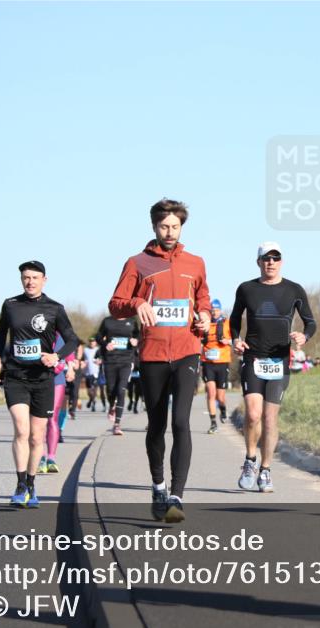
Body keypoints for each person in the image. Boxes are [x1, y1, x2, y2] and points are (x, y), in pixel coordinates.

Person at [108, 198, 211, 523]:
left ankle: (176, 496)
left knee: (181, 422)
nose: (170, 232)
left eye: (175, 227)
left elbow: (204, 298)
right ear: (154, 226)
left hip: (187, 351)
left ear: (182, 228)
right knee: (157, 425)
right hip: (152, 354)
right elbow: (115, 303)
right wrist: (136, 302)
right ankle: (158, 485)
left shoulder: (195, 263)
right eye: (164, 226)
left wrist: (206, 316)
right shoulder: (138, 263)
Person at [231, 241, 317, 493]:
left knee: (269, 419)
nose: (271, 262)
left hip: (279, 361)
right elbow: (235, 319)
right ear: (258, 262)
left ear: (282, 261)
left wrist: (304, 336)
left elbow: (310, 322)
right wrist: (236, 340)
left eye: (275, 258)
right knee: (253, 414)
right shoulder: (246, 289)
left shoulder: (294, 290)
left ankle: (266, 470)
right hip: (253, 359)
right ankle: (250, 461)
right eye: (266, 258)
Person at [0, 260, 78, 507]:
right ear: (22, 280)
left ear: (44, 280)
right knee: (21, 430)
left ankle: (31, 484)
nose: (30, 282)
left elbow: (72, 340)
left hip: (42, 379)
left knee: (36, 437)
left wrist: (57, 357)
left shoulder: (55, 308)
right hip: (16, 376)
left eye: (35, 277)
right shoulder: (11, 305)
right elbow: (0, 334)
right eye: (26, 277)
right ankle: (20, 486)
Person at [97, 314, 139, 436]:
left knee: (121, 390)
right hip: (110, 360)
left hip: (126, 360)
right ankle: (112, 405)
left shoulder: (132, 321)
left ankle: (117, 424)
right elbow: (99, 336)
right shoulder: (107, 321)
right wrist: (105, 344)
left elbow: (139, 335)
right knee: (111, 389)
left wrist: (136, 340)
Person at [40, 332, 76, 474]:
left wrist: (71, 368)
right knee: (39, 420)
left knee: (52, 418)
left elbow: (69, 348)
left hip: (56, 379)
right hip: (38, 379)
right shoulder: (35, 330)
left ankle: (51, 459)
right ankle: (40, 457)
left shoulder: (59, 333)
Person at [201, 298, 232, 434]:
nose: (214, 313)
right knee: (211, 393)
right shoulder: (204, 324)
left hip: (222, 362)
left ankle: (223, 410)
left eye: (216, 310)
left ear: (220, 310)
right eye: (212, 310)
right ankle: (213, 423)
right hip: (208, 363)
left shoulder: (227, 324)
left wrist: (228, 341)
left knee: (221, 397)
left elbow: (236, 340)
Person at [65, 342, 84, 419]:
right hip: (65, 370)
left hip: (76, 372)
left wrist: (79, 362)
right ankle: (68, 407)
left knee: (75, 391)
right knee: (67, 391)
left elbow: (82, 359)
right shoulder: (63, 344)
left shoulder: (78, 345)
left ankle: (72, 411)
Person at [82, 338, 101, 411]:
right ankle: (91, 400)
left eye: (93, 342)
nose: (92, 343)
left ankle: (92, 402)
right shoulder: (85, 350)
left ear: (96, 343)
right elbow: (83, 359)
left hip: (96, 372)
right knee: (89, 390)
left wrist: (100, 361)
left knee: (95, 388)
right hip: (87, 372)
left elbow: (101, 358)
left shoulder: (98, 350)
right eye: (91, 342)